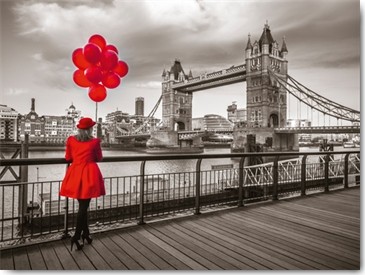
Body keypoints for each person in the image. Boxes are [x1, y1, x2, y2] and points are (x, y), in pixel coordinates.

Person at [60, 117, 105, 251]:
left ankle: (86, 234)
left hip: (75, 174)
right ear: (90, 129)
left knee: (82, 206)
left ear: (79, 128)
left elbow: (68, 158)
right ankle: (76, 235)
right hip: (89, 175)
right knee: (83, 207)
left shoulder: (71, 140)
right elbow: (99, 158)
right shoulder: (95, 142)